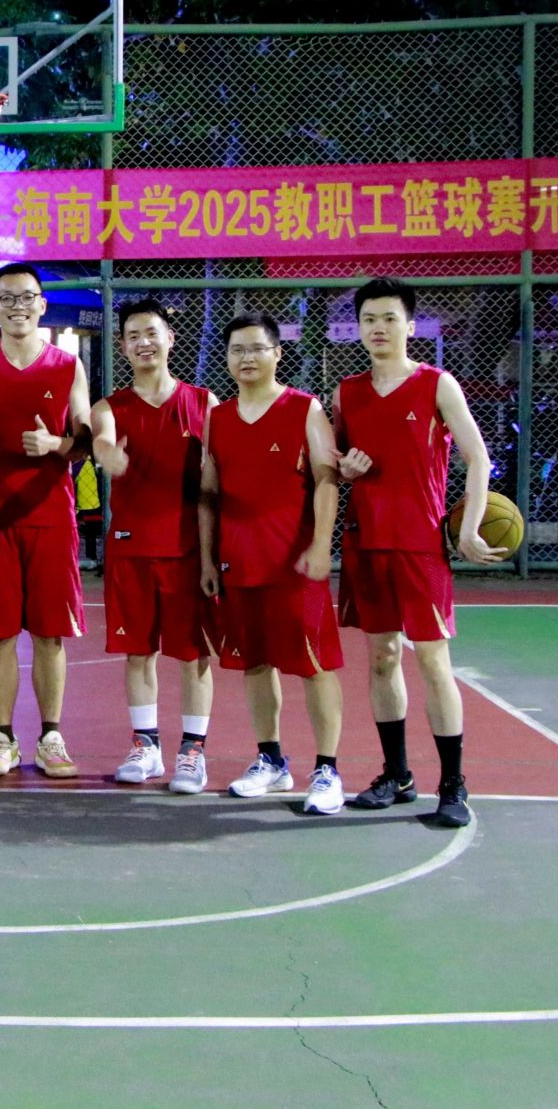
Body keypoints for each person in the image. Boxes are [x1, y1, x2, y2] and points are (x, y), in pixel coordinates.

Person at [334, 276, 508, 827]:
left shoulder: (437, 384)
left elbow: (478, 459)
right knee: (383, 658)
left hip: (420, 545)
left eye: (389, 319)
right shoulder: (347, 392)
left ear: (410, 326)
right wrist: (344, 470)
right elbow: (333, 465)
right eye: (369, 320)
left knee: (433, 661)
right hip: (366, 543)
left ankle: (453, 784)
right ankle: (397, 775)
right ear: (358, 328)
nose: (378, 328)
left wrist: (469, 527)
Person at [199, 313, 346, 816]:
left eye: (256, 348)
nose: (246, 358)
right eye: (236, 349)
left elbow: (327, 480)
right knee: (255, 664)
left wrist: (322, 545)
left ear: (277, 353)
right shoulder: (217, 419)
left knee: (314, 665)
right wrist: (208, 558)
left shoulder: (304, 408)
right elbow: (209, 494)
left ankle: (327, 769)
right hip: (239, 564)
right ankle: (271, 760)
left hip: (294, 566)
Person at [0, 263, 89, 779]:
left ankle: (51, 736)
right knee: (1, 633)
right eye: (6, 298)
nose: (17, 306)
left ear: (42, 305)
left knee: (50, 633)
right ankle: (3, 737)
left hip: (50, 514)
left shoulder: (67, 365)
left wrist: (56, 444)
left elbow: (84, 441)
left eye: (27, 297)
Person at [90, 299, 221, 793]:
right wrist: (107, 455)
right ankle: (146, 746)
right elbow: (102, 440)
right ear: (123, 348)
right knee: (138, 653)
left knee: (194, 656)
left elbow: (215, 479)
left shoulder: (203, 404)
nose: (144, 342)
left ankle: (193, 752)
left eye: (152, 332)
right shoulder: (110, 408)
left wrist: (211, 556)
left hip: (187, 550)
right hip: (131, 550)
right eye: (133, 336)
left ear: (170, 338)